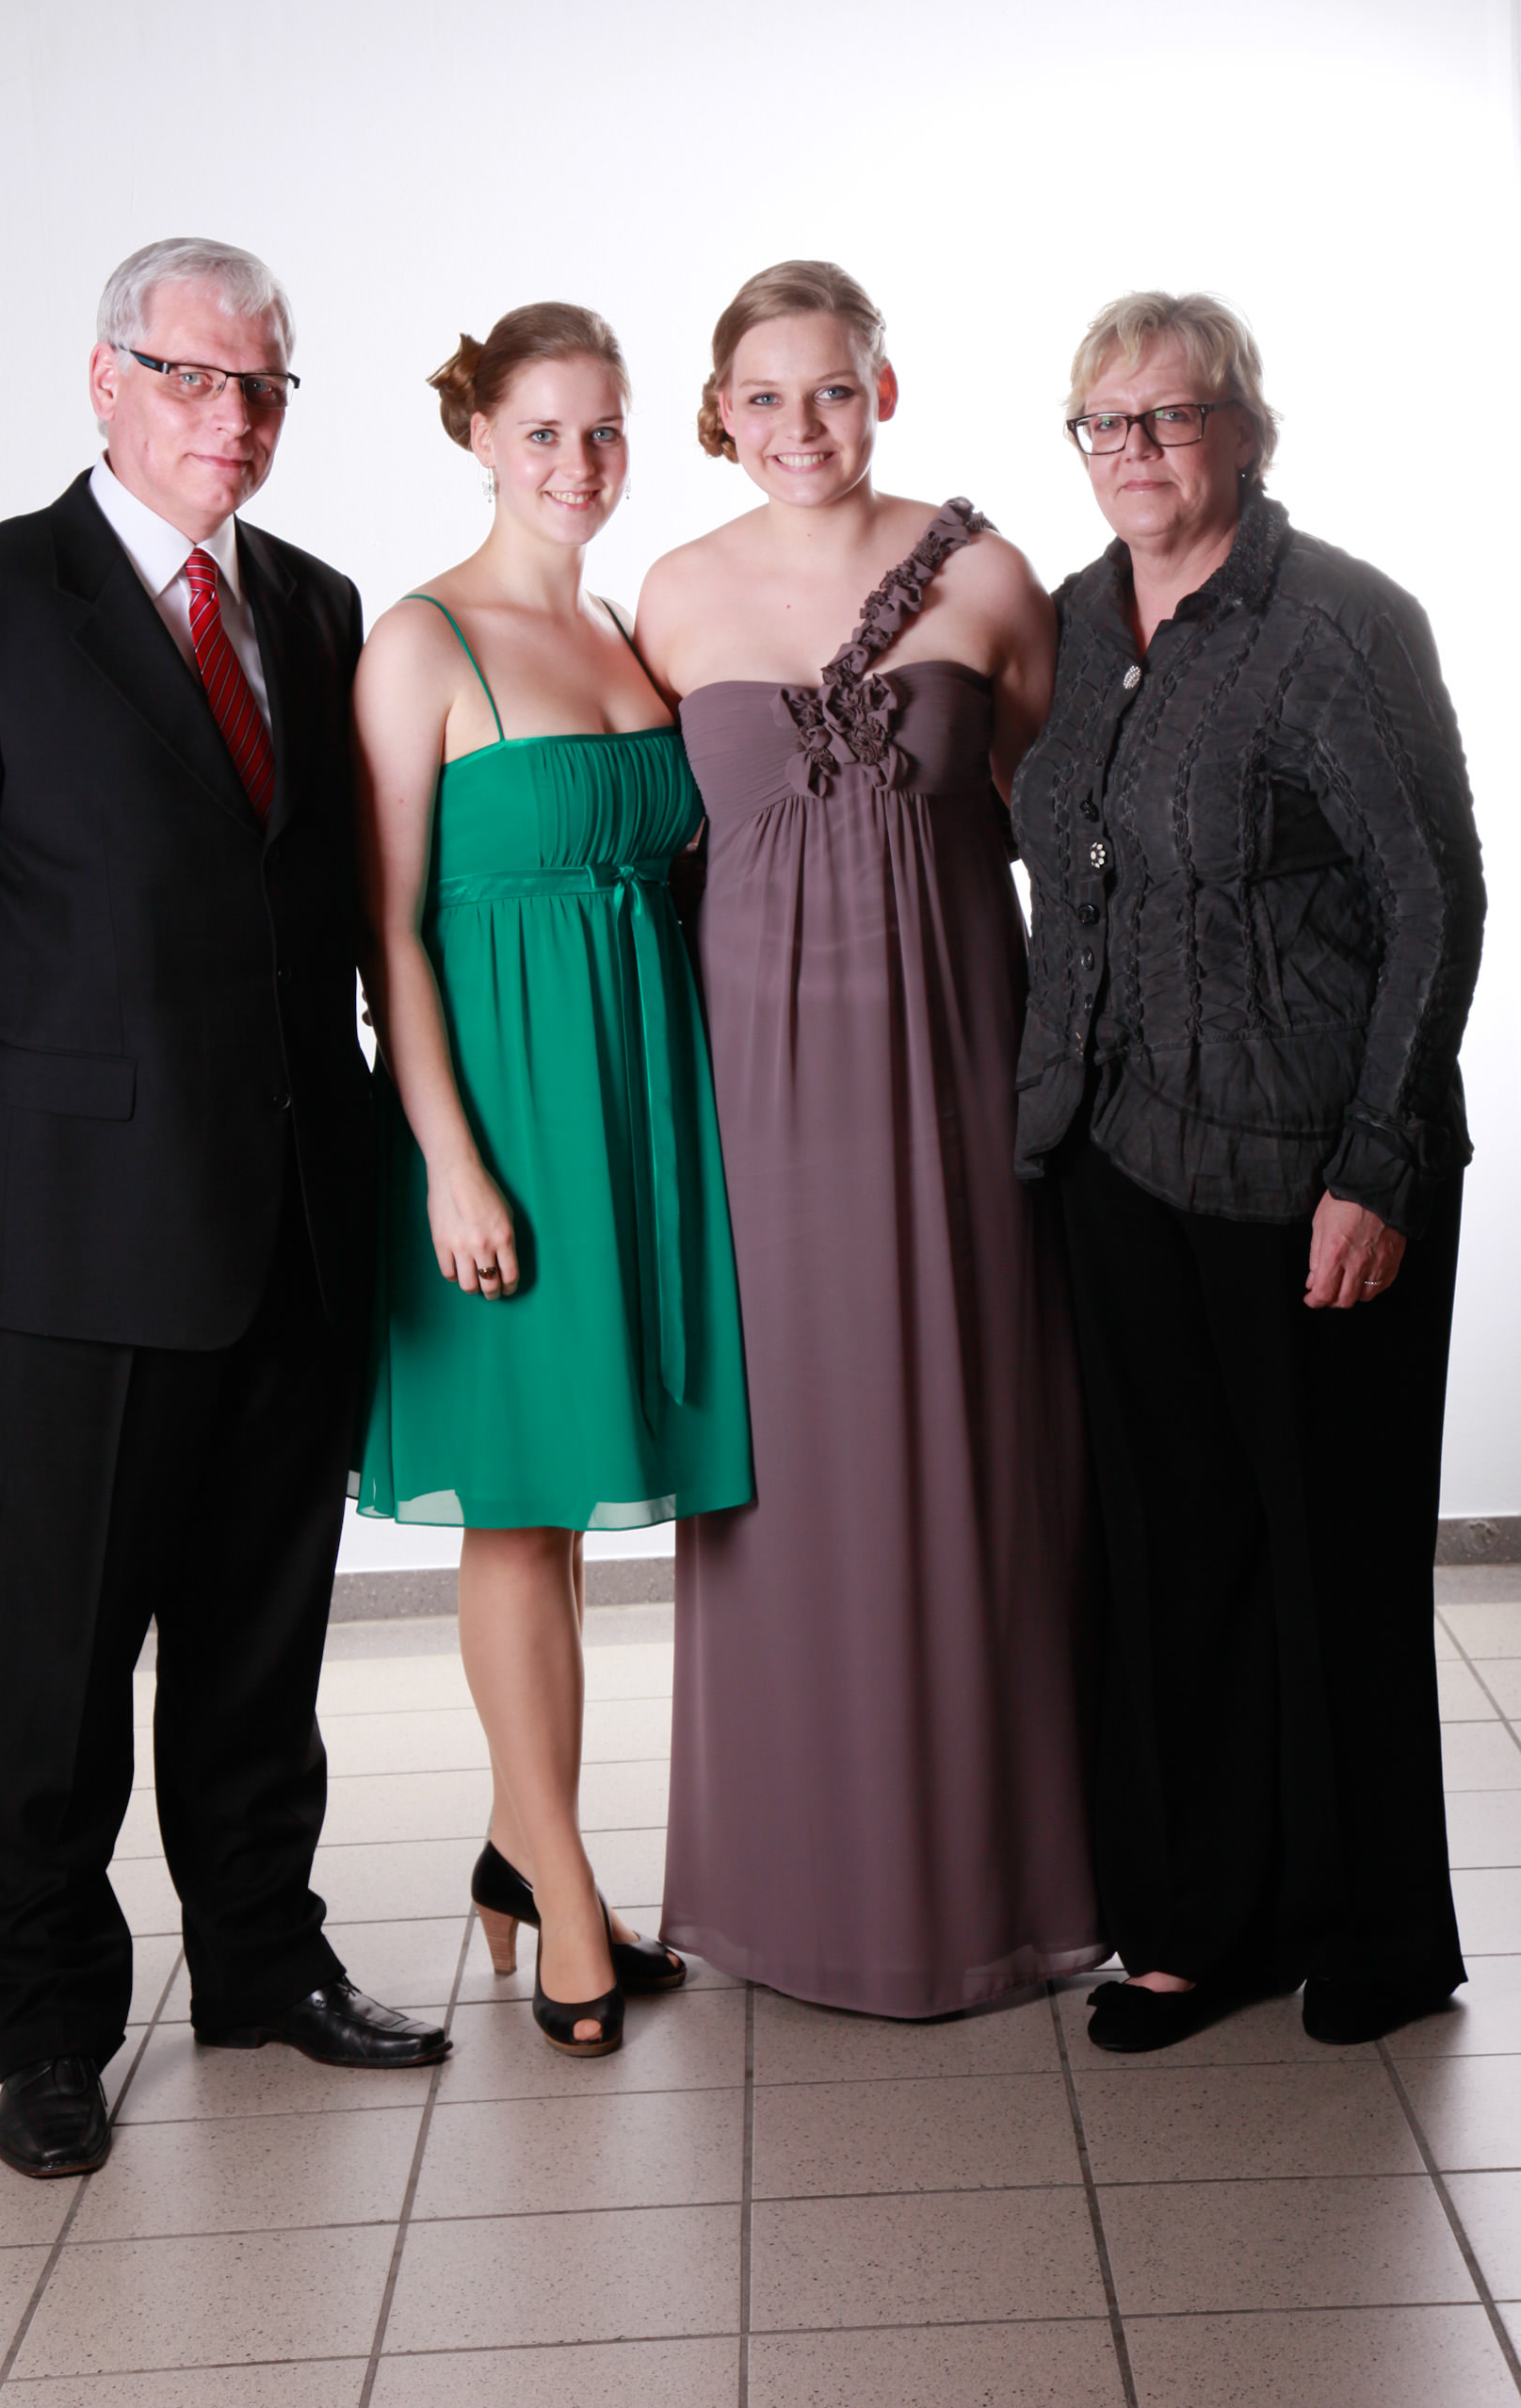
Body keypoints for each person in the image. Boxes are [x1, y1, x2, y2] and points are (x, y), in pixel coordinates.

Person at [0, 237, 449, 2181]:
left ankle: (261, 1960)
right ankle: (44, 2025)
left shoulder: (317, 605)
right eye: (191, 377)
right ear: (104, 381)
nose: (230, 417)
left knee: (260, 1642)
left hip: (293, 1215)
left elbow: (331, 909)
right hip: (70, 1242)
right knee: (56, 1664)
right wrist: (38, 1155)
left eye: (262, 385)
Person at [1011, 290, 1485, 2052]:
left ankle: (1377, 1930)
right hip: (1117, 1153)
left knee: (1333, 1558)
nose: (1135, 450)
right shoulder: (1075, 622)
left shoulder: (1340, 622)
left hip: (1309, 1167)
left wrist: (1379, 1163)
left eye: (1171, 415)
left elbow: (1436, 897)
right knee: (1175, 1557)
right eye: (1105, 422)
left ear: (1243, 428)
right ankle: (1204, 1926)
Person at [635, 260, 1106, 2017]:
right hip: (754, 1109)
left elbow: (1075, 837)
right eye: (763, 396)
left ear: (884, 391)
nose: (800, 425)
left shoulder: (987, 576)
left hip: (964, 1075)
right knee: (784, 1480)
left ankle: (994, 1886)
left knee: (979, 1450)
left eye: (832, 388)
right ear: (720, 414)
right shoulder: (672, 596)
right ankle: (790, 1884)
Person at [353, 303, 752, 2058]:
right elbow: (387, 932)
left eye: (604, 431)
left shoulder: (621, 631)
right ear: (479, 437)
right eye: (543, 433)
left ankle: (529, 1851)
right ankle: (568, 1900)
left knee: (574, 1507)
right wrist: (451, 1165)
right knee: (518, 1512)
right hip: (505, 1123)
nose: (578, 464)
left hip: (637, 1111)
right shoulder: (420, 640)